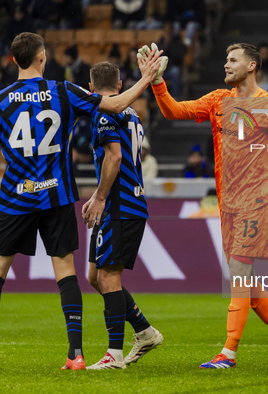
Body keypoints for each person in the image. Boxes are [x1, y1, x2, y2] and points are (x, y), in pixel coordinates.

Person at [0, 32, 163, 371]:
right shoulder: (64, 91)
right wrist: (146, 78)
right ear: (42, 57)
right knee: (67, 272)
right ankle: (76, 355)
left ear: (14, 60)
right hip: (57, 194)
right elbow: (114, 104)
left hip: (16, 196)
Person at [141, 42, 268, 368]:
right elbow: (175, 111)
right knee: (242, 274)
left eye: (233, 60)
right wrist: (158, 83)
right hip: (228, 202)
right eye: (225, 59)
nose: (226, 65)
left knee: (240, 270)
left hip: (259, 198)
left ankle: (228, 352)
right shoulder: (218, 100)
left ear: (251, 66)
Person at [82, 61, 165, 370]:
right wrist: (97, 196)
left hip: (120, 206)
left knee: (108, 276)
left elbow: (114, 156)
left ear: (91, 89)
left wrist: (100, 197)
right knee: (95, 276)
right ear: (118, 86)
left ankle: (114, 354)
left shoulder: (103, 112)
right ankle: (144, 331)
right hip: (123, 203)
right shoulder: (131, 113)